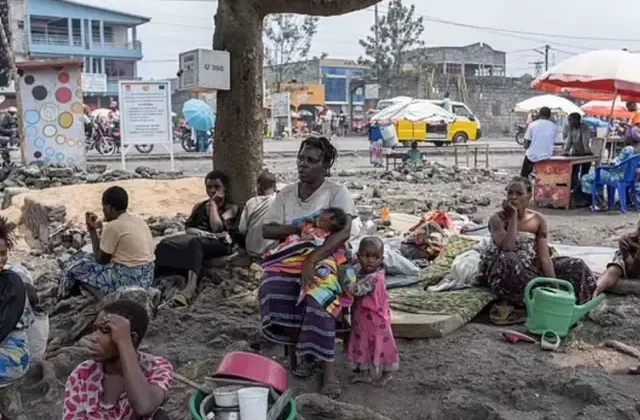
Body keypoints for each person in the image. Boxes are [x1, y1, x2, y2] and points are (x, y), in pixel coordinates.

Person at [260, 136, 357, 399]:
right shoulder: (286, 193)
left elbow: (344, 232)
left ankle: (328, 369)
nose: (303, 164)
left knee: (319, 295)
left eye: (311, 160)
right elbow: (267, 229)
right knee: (272, 287)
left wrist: (313, 259)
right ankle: (302, 349)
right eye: (301, 158)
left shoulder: (336, 193)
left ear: (325, 167)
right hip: (291, 256)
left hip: (326, 256)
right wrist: (299, 229)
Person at [478, 177, 596, 323]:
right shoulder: (498, 219)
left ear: (529, 196)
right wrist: (514, 217)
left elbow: (544, 257)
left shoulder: (538, 220)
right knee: (509, 259)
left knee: (577, 265)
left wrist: (555, 286)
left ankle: (574, 306)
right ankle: (541, 299)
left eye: (519, 193)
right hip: (505, 271)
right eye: (510, 193)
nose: (513, 197)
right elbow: (508, 247)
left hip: (531, 268)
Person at [63, 300, 174, 420]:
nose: (94, 337)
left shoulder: (155, 367)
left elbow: (144, 405)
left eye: (106, 331)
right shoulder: (82, 374)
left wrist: (124, 342)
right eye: (95, 329)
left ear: (132, 339)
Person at [155, 171, 238, 307]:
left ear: (224, 188)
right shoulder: (199, 206)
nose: (212, 190)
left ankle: (190, 288)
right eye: (209, 187)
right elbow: (189, 228)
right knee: (165, 243)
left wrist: (213, 206)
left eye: (216, 187)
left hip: (220, 243)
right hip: (200, 238)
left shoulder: (230, 208)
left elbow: (217, 228)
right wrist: (201, 233)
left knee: (195, 243)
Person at [58, 186, 156, 301]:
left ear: (109, 208)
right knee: (82, 258)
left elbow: (101, 260)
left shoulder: (113, 227)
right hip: (147, 276)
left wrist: (92, 231)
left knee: (75, 267)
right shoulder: (139, 221)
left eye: (104, 208)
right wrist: (93, 229)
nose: (103, 212)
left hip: (130, 279)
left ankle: (101, 296)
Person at [346, 237, 398, 387]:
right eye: (366, 256)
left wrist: (347, 282)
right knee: (363, 343)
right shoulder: (361, 270)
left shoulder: (374, 278)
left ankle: (386, 374)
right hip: (362, 319)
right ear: (358, 255)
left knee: (380, 345)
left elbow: (356, 290)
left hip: (376, 320)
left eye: (375, 257)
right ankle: (365, 373)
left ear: (381, 259)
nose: (370, 261)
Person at [0, 217, 34, 420]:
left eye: (3, 254)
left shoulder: (12, 283)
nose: (0, 259)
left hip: (11, 355)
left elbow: (2, 328)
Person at [580, 139, 638, 210]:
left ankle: (600, 202)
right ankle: (603, 202)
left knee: (586, 178)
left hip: (616, 175)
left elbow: (616, 163)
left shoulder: (627, 149)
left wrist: (610, 163)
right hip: (627, 176)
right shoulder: (635, 152)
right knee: (597, 177)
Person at [236, 171, 278, 258]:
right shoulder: (278, 201)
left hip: (252, 251)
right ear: (275, 187)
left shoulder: (251, 202)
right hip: (272, 251)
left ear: (258, 187)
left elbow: (242, 229)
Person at [594, 220, 640, 296]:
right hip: (626, 270)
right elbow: (631, 273)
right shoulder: (626, 240)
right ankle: (594, 292)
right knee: (615, 267)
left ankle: (607, 283)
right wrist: (638, 256)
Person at [520, 107, 558, 178]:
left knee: (524, 176)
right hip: (547, 156)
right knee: (545, 178)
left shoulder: (532, 125)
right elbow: (555, 142)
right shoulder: (554, 127)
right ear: (550, 116)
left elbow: (526, 144)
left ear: (539, 114)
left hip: (532, 156)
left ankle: (527, 187)